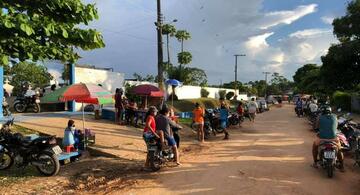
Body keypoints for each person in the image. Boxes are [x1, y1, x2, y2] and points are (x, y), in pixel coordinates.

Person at [312, 106, 344, 171]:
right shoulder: (335, 116)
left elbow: (316, 126)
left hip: (322, 139)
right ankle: (342, 166)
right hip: (334, 139)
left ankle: (315, 163)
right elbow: (336, 126)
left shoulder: (319, 117)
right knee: (339, 150)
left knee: (314, 147)